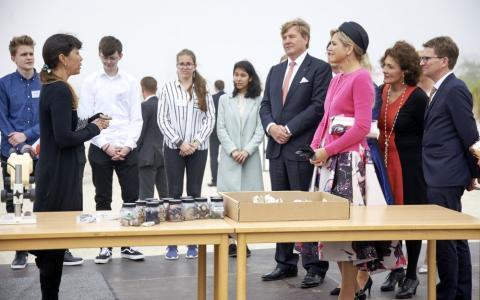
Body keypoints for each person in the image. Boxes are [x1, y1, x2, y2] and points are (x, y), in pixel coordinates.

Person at [310, 21, 405, 299]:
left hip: (351, 165)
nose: (328, 48)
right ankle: (352, 290)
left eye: (334, 44)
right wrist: (315, 146)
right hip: (331, 164)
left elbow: (363, 127)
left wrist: (327, 150)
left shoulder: (362, 78)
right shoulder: (336, 78)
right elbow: (326, 120)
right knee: (336, 238)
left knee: (350, 237)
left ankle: (350, 293)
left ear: (349, 48)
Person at [32, 33, 108, 300]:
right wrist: (94, 128)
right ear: (63, 58)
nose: (81, 58)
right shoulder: (60, 89)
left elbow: (61, 130)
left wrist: (90, 122)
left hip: (57, 175)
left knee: (54, 249)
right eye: (77, 53)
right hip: (59, 179)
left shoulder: (55, 87)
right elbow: (64, 138)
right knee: (53, 249)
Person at [259, 18, 331, 289]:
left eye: (292, 36)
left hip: (301, 149)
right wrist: (271, 127)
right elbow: (265, 105)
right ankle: (285, 262)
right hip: (277, 149)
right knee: (281, 209)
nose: (287, 40)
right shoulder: (275, 70)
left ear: (305, 39)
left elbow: (318, 106)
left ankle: (314, 266)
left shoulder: (319, 69)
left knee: (307, 209)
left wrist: (288, 128)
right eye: (284, 37)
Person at [0, 35, 83, 269]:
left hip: (41, 147)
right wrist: (17, 142)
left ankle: (59, 248)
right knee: (15, 199)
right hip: (12, 150)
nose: (28, 58)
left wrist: (28, 137)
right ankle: (21, 251)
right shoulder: (5, 84)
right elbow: (2, 117)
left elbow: (49, 122)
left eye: (31, 54)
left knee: (49, 198)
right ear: (13, 58)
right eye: (23, 54)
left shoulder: (44, 82)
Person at [421, 36, 480, 300]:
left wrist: (473, 174)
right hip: (440, 173)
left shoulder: (454, 89)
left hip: (445, 175)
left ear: (444, 61)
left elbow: (469, 135)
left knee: (446, 240)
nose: (421, 62)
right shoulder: (439, 90)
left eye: (426, 58)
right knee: (454, 239)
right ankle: (459, 293)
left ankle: (449, 293)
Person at [79, 36, 144, 264]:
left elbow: (136, 118)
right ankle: (104, 246)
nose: (109, 63)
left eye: (113, 58)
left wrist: (126, 146)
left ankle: (127, 244)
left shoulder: (130, 81)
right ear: (99, 55)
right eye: (105, 58)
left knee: (131, 197)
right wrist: (106, 145)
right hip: (100, 146)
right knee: (102, 198)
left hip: (126, 146)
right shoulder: (90, 82)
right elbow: (86, 117)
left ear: (121, 56)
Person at [378, 41, 428, 299]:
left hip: (409, 166)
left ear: (405, 70)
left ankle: (411, 275)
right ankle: (396, 267)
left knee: (411, 220)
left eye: (390, 67)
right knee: (388, 218)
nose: (384, 70)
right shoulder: (380, 91)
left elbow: (427, 134)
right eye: (384, 65)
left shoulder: (418, 97)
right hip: (382, 163)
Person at [157, 49, 215, 260]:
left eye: (188, 63)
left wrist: (195, 142)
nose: (185, 67)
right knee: (174, 193)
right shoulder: (168, 89)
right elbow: (162, 119)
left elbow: (210, 119)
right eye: (181, 63)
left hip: (198, 149)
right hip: (173, 148)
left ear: (194, 65)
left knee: (194, 193)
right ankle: (172, 244)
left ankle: (193, 242)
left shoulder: (203, 90)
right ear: (176, 66)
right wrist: (180, 142)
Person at [216, 60, 264, 257]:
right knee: (228, 200)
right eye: (236, 74)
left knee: (248, 202)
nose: (238, 78)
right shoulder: (225, 100)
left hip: (250, 158)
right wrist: (234, 150)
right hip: (230, 158)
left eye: (242, 75)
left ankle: (243, 241)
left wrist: (247, 150)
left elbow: (260, 129)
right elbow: (221, 128)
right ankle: (229, 241)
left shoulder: (259, 100)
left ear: (250, 77)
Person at [137, 76, 168, 199]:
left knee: (146, 195)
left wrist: (134, 152)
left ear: (142, 89)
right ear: (156, 88)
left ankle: (149, 217)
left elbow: (140, 132)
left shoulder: (144, 106)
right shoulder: (165, 105)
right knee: (165, 194)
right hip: (164, 154)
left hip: (147, 156)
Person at [208, 80, 225, 187]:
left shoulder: (211, 98)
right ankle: (226, 179)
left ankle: (215, 179)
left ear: (215, 87)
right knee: (227, 156)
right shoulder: (229, 98)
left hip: (214, 131)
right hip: (225, 130)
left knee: (213, 156)